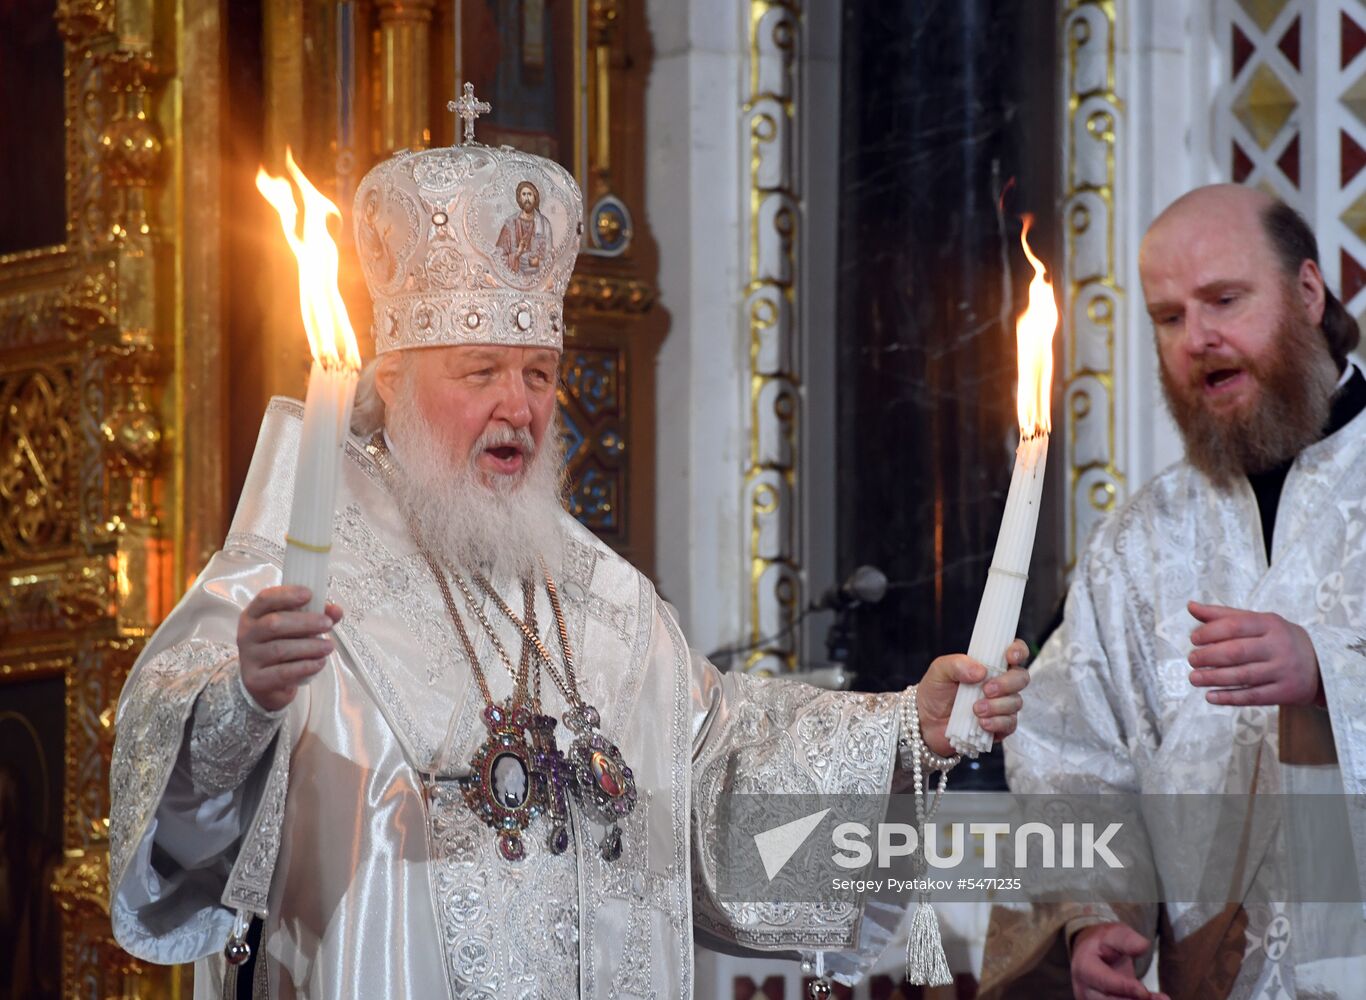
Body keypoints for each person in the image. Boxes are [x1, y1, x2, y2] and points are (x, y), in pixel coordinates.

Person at [108, 99, 1031, 999]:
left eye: (540, 373)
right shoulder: (289, 583)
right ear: (389, 380)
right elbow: (175, 836)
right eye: (481, 372)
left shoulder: (608, 602)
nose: (522, 405)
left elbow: (718, 777)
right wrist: (246, 702)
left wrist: (908, 731)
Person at [979, 184, 1366, 1000]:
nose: (1199, 339)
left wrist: (1330, 672)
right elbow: (1070, 756)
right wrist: (1094, 921)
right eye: (1168, 317)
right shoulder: (1138, 541)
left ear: (1306, 291)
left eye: (1225, 299)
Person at [495, 179, 551, 275]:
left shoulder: (544, 224)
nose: (527, 198)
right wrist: (517, 254)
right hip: (514, 279)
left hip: (537, 279)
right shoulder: (510, 223)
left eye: (530, 194)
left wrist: (539, 262)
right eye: (524, 194)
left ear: (535, 197)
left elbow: (550, 256)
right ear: (519, 198)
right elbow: (498, 257)